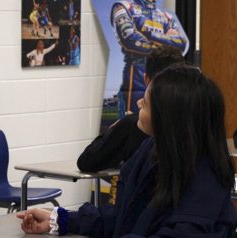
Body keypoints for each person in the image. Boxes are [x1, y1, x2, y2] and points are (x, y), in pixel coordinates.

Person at [18, 65, 237, 237]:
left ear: (168, 119)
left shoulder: (205, 178)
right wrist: (61, 219)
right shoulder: (150, 150)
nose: (140, 102)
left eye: (148, 103)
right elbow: (123, 216)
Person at [77, 46, 185, 173]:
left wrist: (115, 128)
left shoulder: (133, 125)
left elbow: (86, 162)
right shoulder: (198, 122)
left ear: (146, 79)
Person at [110, 0, 188, 118]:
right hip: (137, 75)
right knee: (135, 125)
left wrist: (148, 33)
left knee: (166, 124)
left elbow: (181, 44)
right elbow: (130, 38)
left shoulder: (167, 16)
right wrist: (166, 41)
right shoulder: (123, 7)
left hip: (166, 75)